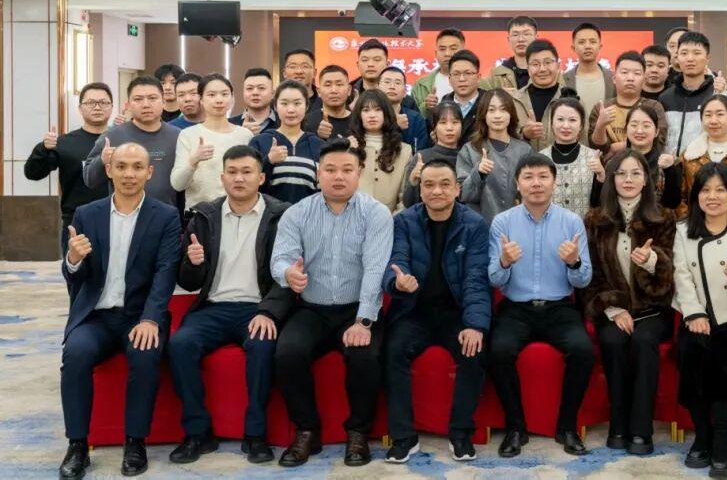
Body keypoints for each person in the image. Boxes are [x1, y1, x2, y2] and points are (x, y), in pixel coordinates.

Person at [59, 142, 182, 479]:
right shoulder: (87, 214)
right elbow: (75, 277)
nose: (129, 174)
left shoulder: (166, 216)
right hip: (96, 317)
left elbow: (165, 273)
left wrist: (150, 319)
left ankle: (135, 442)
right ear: (109, 169)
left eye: (137, 167)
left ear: (149, 173)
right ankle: (77, 445)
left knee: (144, 355)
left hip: (139, 316)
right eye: (122, 166)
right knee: (75, 354)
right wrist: (73, 259)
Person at [270, 139, 393, 467]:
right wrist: (288, 273)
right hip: (312, 308)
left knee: (365, 355)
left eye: (347, 170)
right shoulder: (297, 213)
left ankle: (358, 433)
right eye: (331, 170)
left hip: (357, 307)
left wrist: (364, 321)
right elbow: (281, 258)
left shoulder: (376, 213)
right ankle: (307, 431)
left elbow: (375, 269)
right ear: (318, 173)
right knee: (287, 352)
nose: (339, 176)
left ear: (359, 173)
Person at [169, 146, 293, 465]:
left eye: (247, 172)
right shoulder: (203, 217)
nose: (239, 179)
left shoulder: (282, 216)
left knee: (263, 345)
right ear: (222, 178)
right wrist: (193, 263)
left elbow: (289, 274)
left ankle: (255, 434)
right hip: (212, 308)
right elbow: (188, 282)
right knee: (180, 344)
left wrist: (269, 312)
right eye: (233, 172)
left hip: (258, 307)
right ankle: (198, 433)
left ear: (261, 178)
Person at [382, 159, 491, 463]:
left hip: (456, 312)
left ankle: (460, 433)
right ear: (420, 190)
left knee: (474, 350)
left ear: (457, 189)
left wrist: (474, 325)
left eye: (445, 184)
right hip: (414, 311)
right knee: (392, 350)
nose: (437, 191)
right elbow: (397, 260)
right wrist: (397, 282)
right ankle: (404, 437)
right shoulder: (404, 222)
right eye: (428, 185)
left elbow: (476, 278)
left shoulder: (474, 225)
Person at [488, 153, 594, 457]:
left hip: (559, 308)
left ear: (554, 182)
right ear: (518, 184)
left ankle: (567, 426)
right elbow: (494, 278)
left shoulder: (571, 222)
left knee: (583, 351)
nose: (536, 183)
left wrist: (574, 262)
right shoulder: (502, 222)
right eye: (528, 177)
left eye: (543, 177)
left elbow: (583, 280)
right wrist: (504, 262)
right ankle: (516, 427)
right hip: (516, 309)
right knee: (498, 351)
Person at [582, 149, 676, 456]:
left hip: (652, 310)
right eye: (621, 173)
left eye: (636, 173)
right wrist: (612, 309)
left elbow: (671, 278)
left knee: (643, 342)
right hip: (613, 310)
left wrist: (652, 261)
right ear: (611, 179)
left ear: (647, 179)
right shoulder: (595, 220)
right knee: (613, 341)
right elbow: (591, 276)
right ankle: (618, 425)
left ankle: (641, 430)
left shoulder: (663, 218)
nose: (628, 180)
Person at [672, 162, 727, 478]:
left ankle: (723, 440)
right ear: (696, 195)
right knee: (691, 353)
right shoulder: (683, 230)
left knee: (723, 359)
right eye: (706, 190)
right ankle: (702, 435)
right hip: (697, 314)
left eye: (720, 190)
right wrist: (694, 313)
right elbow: (681, 276)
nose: (713, 197)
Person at [25, 82, 112, 254]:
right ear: (80, 108)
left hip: (117, 220)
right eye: (90, 102)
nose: (97, 107)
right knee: (76, 269)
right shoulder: (65, 143)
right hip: (77, 221)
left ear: (111, 106)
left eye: (103, 102)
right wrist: (42, 149)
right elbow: (32, 173)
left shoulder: (122, 139)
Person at [84, 76, 183, 209]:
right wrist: (102, 160)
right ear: (128, 105)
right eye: (138, 99)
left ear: (163, 102)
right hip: (123, 215)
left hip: (168, 217)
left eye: (152, 98)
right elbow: (89, 180)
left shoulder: (178, 136)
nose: (146, 104)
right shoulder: (112, 136)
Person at [171, 74, 254, 209]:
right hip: (200, 214)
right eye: (211, 95)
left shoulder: (245, 135)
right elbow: (177, 184)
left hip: (240, 211)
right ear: (201, 100)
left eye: (224, 94)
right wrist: (193, 161)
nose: (219, 100)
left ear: (232, 98)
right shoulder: (188, 135)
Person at [661, 32, 727, 156]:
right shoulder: (666, 98)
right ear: (677, 57)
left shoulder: (717, 94)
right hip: (670, 166)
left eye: (697, 53)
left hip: (709, 165)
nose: (690, 58)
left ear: (707, 58)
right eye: (684, 53)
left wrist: (725, 95)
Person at [457, 88, 532, 223]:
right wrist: (478, 173)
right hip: (480, 225)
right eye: (491, 110)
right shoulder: (470, 149)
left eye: (503, 110)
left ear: (511, 114)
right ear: (483, 115)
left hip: (517, 224)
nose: (497, 116)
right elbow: (463, 194)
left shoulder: (524, 150)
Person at [591, 103, 682, 209]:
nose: (639, 131)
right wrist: (600, 177)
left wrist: (670, 171)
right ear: (626, 129)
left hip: (655, 219)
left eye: (646, 126)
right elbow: (596, 203)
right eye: (634, 125)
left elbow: (672, 204)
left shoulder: (668, 163)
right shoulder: (612, 163)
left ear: (657, 132)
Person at [250, 80, 326, 204]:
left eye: (297, 103)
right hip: (270, 214)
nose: (291, 110)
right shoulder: (260, 141)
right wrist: (268, 161)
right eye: (284, 103)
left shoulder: (318, 145)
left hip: (307, 213)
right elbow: (248, 183)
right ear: (275, 106)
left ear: (306, 106)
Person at [588, 50, 668, 159]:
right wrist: (600, 125)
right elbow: (597, 148)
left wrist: (617, 147)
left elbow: (658, 142)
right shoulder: (602, 107)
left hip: (644, 165)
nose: (630, 78)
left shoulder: (653, 107)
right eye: (624, 72)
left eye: (637, 73)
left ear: (644, 80)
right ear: (614, 78)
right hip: (607, 168)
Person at [541, 96, 605, 217]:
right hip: (549, 225)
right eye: (560, 119)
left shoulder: (594, 157)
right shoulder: (541, 158)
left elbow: (598, 203)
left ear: (581, 125)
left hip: (584, 226)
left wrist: (601, 176)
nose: (566, 126)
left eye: (572, 120)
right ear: (552, 123)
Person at [348, 89, 412, 211]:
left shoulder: (404, 150)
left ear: (386, 113)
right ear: (359, 115)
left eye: (378, 109)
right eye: (366, 110)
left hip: (392, 219)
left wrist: (391, 220)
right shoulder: (348, 147)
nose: (372, 115)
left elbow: (405, 198)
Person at [514, 39, 574, 151]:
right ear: (528, 69)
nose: (542, 69)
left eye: (548, 62)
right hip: (524, 162)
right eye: (535, 64)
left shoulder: (572, 100)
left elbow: (582, 141)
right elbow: (503, 140)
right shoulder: (514, 101)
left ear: (558, 66)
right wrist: (524, 134)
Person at [401, 102, 463, 208]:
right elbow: (408, 203)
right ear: (434, 127)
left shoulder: (466, 157)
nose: (449, 128)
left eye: (455, 122)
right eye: (443, 122)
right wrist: (413, 182)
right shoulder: (421, 158)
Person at [564, 22, 615, 118]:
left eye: (592, 41)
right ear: (573, 48)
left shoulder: (613, 78)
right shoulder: (564, 79)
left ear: (600, 46)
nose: (587, 46)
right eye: (581, 42)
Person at [411, 28, 465, 118]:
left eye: (453, 48)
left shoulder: (478, 83)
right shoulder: (420, 85)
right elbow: (412, 119)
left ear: (463, 52)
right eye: (442, 49)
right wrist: (426, 107)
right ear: (436, 53)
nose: (447, 53)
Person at [438, 49, 485, 146]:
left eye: (468, 73)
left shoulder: (489, 103)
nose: (462, 79)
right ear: (449, 79)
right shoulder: (443, 105)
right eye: (456, 74)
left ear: (478, 77)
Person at [379, 66, 431, 151]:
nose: (392, 86)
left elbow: (420, 151)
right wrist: (394, 125)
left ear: (405, 92)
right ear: (377, 88)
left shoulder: (416, 119)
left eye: (397, 83)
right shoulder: (369, 115)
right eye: (387, 82)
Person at [483, 15, 536, 90]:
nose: (521, 39)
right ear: (508, 39)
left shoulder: (546, 70)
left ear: (536, 37)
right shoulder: (496, 74)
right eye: (515, 35)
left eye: (526, 34)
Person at [303, 65, 353, 141]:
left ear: (349, 90)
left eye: (339, 84)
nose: (334, 90)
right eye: (328, 85)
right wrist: (318, 137)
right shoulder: (307, 121)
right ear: (319, 92)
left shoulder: (359, 120)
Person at [229, 67, 279, 135]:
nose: (255, 93)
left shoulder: (285, 123)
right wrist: (242, 134)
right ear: (243, 92)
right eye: (250, 88)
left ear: (272, 93)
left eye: (261, 88)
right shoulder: (229, 124)